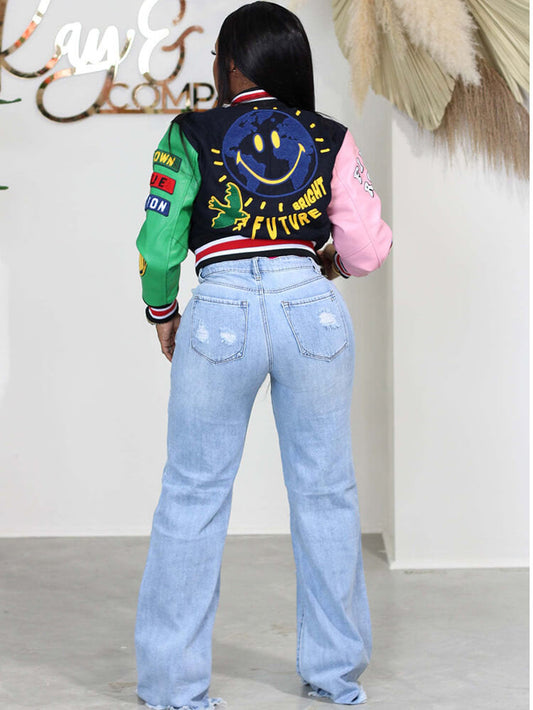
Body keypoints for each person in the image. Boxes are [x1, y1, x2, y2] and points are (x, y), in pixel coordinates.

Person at [134, 3, 392, 709]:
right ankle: (335, 676)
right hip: (310, 309)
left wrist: (163, 312)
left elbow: (158, 242)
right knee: (326, 492)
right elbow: (366, 248)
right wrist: (327, 260)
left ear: (227, 64)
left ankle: (173, 687)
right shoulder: (331, 136)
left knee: (192, 494)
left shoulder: (188, 132)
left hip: (219, 314)